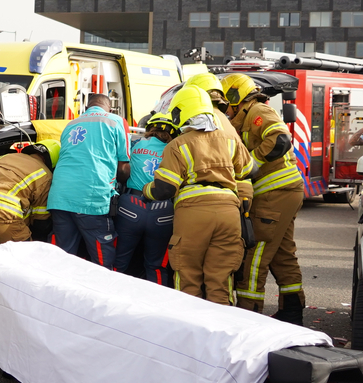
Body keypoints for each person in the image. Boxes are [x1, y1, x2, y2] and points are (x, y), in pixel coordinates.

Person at [142, 88, 253, 304]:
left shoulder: (177, 145)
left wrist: (146, 191)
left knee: (188, 278)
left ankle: (190, 324)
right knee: (220, 280)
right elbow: (249, 170)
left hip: (193, 214)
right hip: (229, 213)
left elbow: (165, 189)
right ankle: (222, 323)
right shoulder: (230, 139)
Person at [222, 73, 307, 323]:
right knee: (282, 254)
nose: (225, 110)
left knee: (254, 255)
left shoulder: (257, 111)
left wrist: (252, 163)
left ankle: (248, 317)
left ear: (236, 98)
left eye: (226, 104)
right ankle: (292, 312)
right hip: (284, 191)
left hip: (274, 193)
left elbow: (280, 139)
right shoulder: (245, 117)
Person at [47, 92, 129, 266]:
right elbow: (123, 167)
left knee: (62, 256)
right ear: (109, 108)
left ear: (87, 108)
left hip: (59, 197)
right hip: (92, 198)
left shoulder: (71, 124)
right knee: (102, 260)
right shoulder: (116, 121)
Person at [114, 113, 178, 284]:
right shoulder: (175, 149)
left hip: (131, 206)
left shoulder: (135, 143)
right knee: (156, 266)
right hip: (163, 211)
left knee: (118, 263)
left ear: (149, 128)